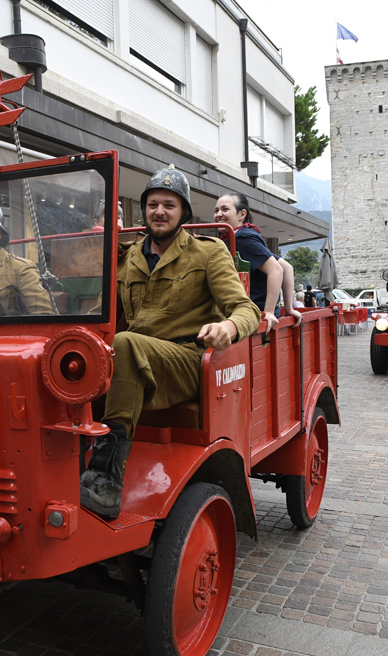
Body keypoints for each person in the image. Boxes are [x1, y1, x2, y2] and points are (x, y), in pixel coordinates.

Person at [80, 167, 261, 519]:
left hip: (185, 362)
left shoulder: (208, 253)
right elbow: (106, 318)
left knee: (127, 344)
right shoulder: (128, 258)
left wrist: (228, 327)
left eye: (169, 205)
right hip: (135, 361)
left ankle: (105, 477)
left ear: (183, 213)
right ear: (143, 211)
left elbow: (246, 308)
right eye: (152, 205)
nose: (159, 211)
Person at [214, 193, 303, 330]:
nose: (219, 214)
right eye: (216, 210)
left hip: (253, 316)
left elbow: (277, 270)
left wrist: (268, 312)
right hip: (255, 314)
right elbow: (287, 267)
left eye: (225, 209)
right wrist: (289, 309)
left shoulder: (243, 239)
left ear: (242, 214)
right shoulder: (244, 235)